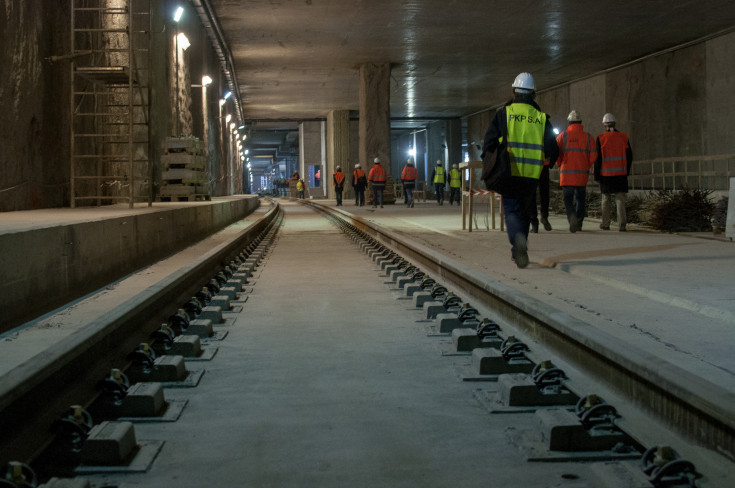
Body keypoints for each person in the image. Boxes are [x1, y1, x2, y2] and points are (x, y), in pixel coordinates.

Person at [480, 72, 559, 269]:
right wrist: (550, 162)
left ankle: (518, 241)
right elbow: (553, 148)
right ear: (533, 93)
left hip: (509, 171)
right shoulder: (541, 118)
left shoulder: (503, 114)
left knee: (512, 211)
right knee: (524, 211)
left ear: (514, 91)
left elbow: (489, 142)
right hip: (532, 175)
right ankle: (518, 249)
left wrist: (490, 159)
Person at [556, 110, 597, 233]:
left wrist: (560, 164)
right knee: (580, 199)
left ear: (569, 122)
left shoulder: (562, 136)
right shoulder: (588, 137)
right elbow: (594, 156)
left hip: (567, 175)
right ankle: (579, 222)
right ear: (580, 122)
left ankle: (572, 217)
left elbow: (557, 154)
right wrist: (586, 165)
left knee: (568, 199)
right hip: (581, 175)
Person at [595, 113, 633, 231]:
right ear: (614, 123)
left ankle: (605, 224)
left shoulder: (601, 138)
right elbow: (630, 156)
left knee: (606, 199)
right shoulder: (623, 137)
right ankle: (622, 224)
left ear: (604, 125)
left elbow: (598, 159)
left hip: (605, 175)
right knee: (620, 198)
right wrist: (626, 170)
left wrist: (597, 174)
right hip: (620, 174)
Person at [530, 157, 552, 232]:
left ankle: (534, 223)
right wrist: (550, 163)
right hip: (544, 166)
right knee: (544, 192)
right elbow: (554, 149)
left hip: (530, 166)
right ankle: (544, 216)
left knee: (531, 194)